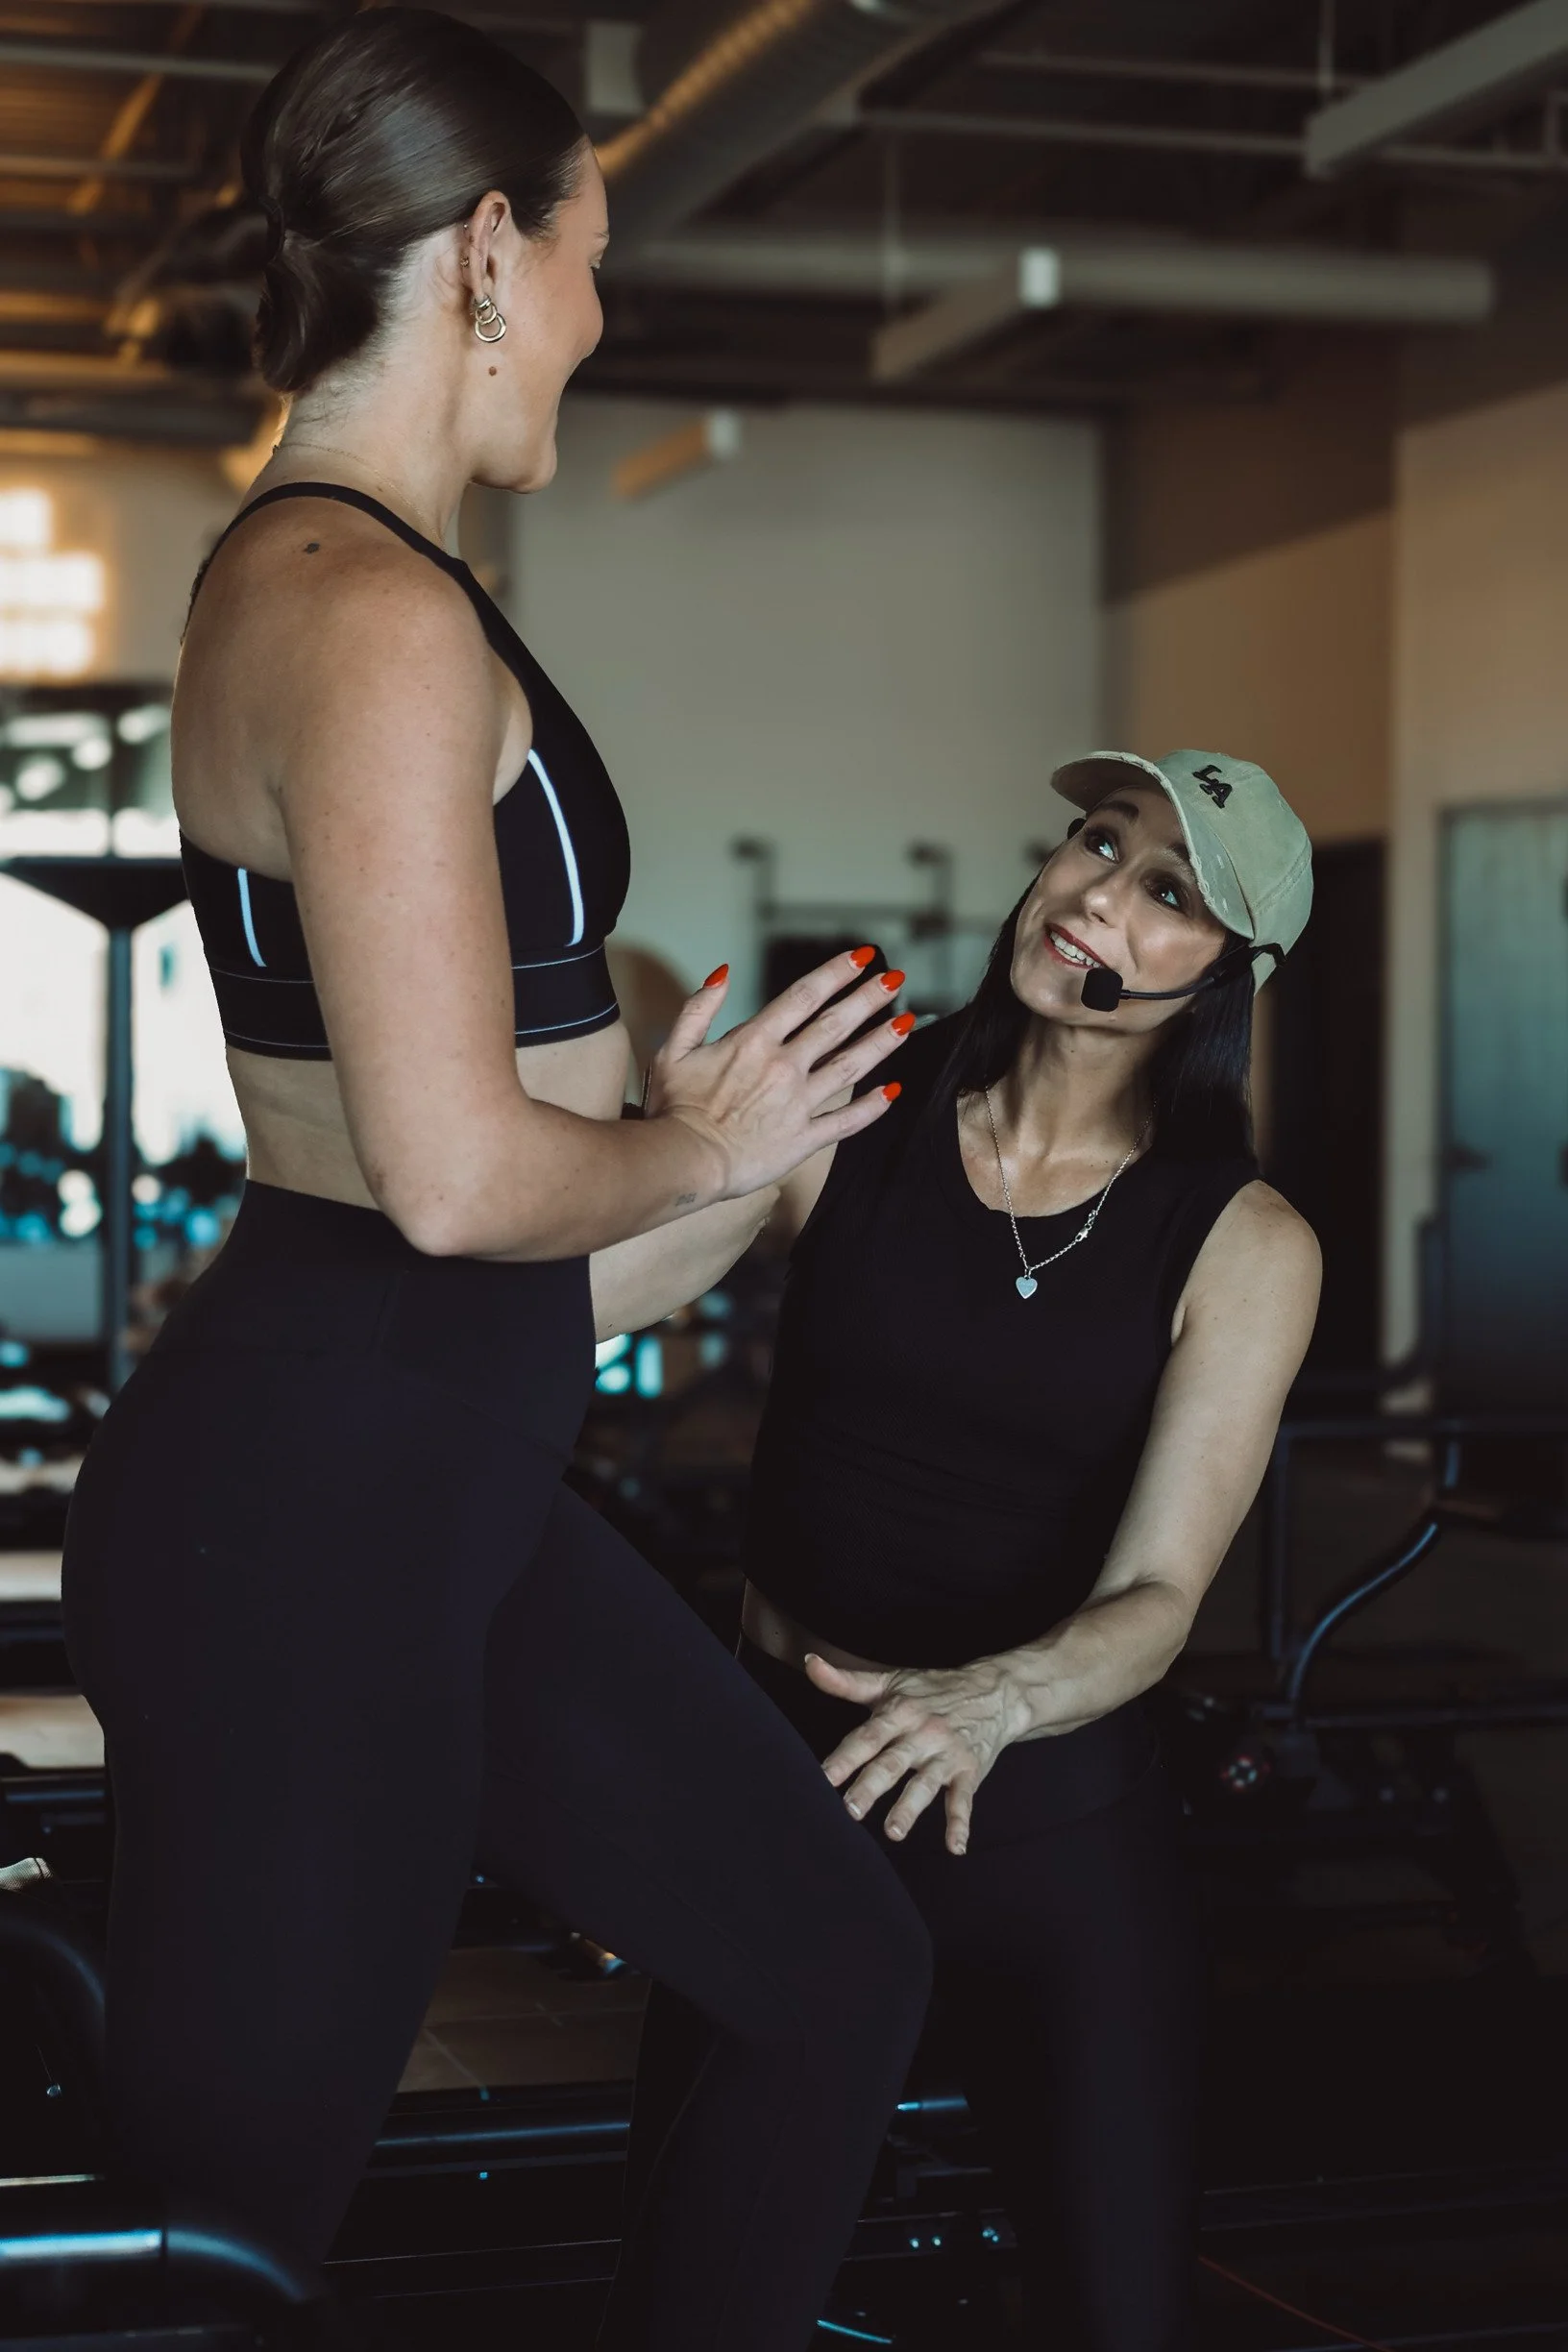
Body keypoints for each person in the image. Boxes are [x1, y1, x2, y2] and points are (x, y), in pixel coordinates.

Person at [60, 14, 932, 2345]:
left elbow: (475, 1229)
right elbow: (449, 1184)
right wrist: (703, 1132)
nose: (599, 311)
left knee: (832, 1966)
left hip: (419, 1465)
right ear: (482, 254)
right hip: (316, 1525)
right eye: (590, 257)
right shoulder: (364, 615)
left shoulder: (355, 587)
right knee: (219, 2264)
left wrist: (756, 1156)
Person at [596, 747, 1322, 2349]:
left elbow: (1157, 1596)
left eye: (1168, 895)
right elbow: (590, 1308)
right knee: (692, 2299)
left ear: (1228, 973)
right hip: (785, 1793)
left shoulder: (1245, 1241)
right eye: (1095, 842)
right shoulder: (863, 1112)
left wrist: (995, 1699)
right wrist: (680, 1144)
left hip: (1048, 1819)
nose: (1095, 898)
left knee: (1115, 2311)